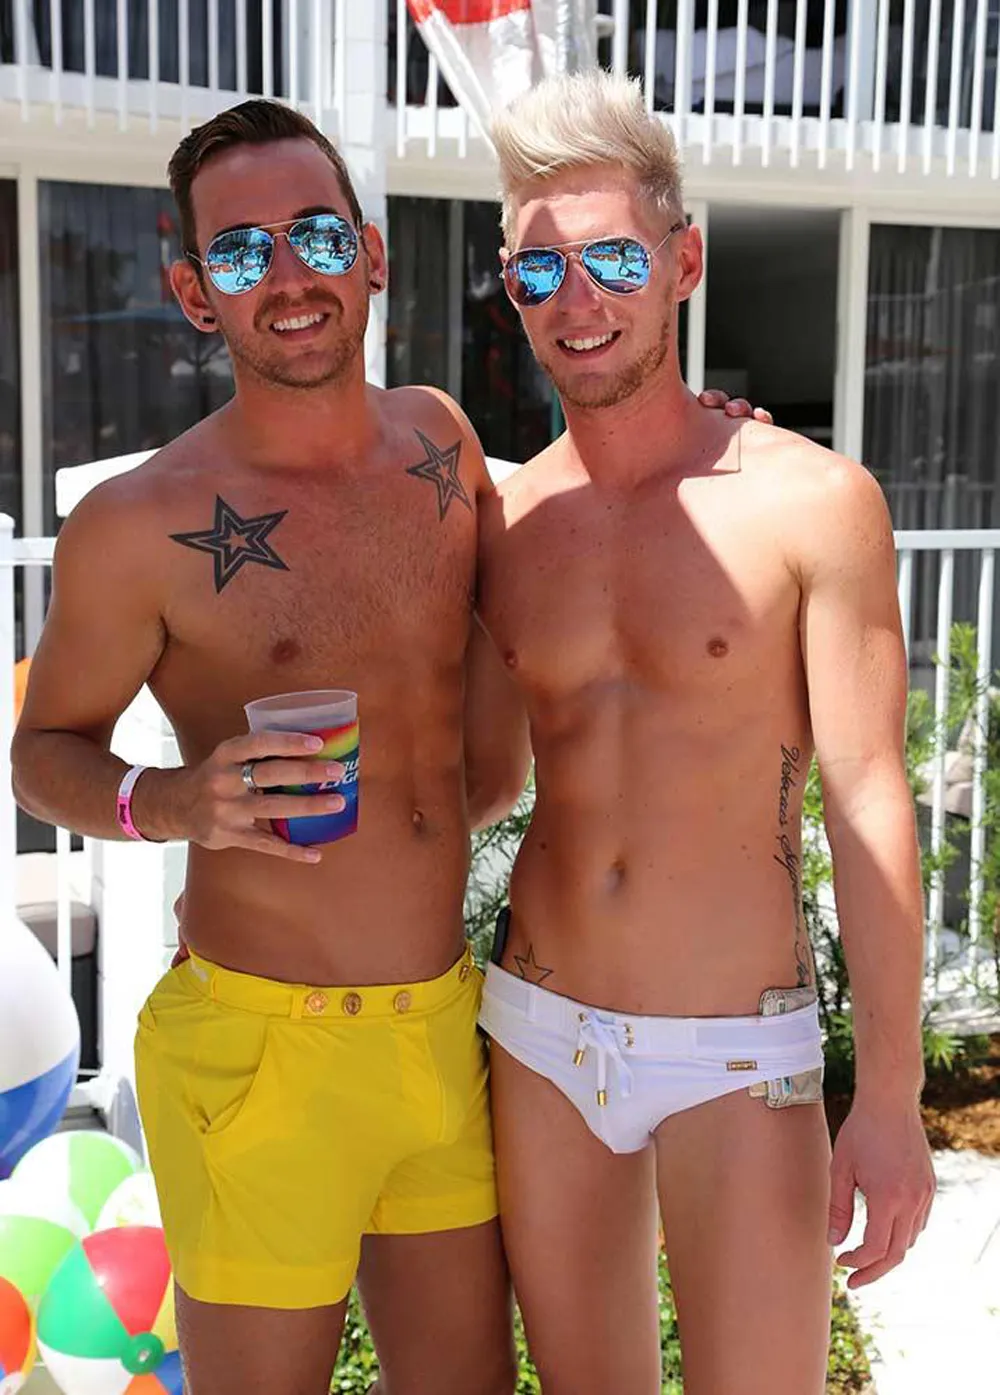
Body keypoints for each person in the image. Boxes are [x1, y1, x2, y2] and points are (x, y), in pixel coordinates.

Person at [10, 98, 757, 1394]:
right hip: (259, 1047)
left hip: (438, 1024)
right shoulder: (139, 523)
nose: (286, 276)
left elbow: (569, 527)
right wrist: (169, 802)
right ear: (194, 293)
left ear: (370, 256)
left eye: (314, 236)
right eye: (240, 252)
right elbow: (43, 752)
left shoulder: (439, 442)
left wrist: (700, 442)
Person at [474, 71, 936, 1395]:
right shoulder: (503, 525)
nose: (577, 300)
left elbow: (868, 795)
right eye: (539, 271)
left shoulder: (813, 503)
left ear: (682, 263)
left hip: (740, 1050)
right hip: (538, 1031)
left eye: (614, 258)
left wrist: (890, 1095)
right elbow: (482, 779)